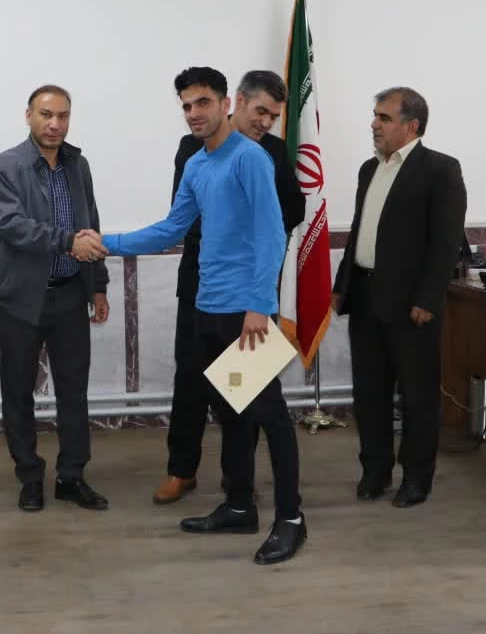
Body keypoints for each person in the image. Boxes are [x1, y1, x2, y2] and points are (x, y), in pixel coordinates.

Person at [102, 66, 305, 566]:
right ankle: (238, 506)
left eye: (203, 103)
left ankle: (291, 519)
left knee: (271, 416)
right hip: (207, 308)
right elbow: (171, 229)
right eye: (187, 106)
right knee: (231, 413)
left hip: (245, 314)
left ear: (226, 103)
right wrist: (105, 243)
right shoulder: (197, 164)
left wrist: (259, 304)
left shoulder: (251, 158)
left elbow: (272, 233)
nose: (194, 113)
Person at [155, 69, 306, 505]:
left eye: (273, 117)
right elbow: (181, 216)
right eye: (260, 111)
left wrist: (246, 236)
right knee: (191, 378)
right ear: (237, 102)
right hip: (199, 283)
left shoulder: (268, 152)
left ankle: (237, 483)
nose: (265, 122)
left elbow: (290, 212)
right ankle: (181, 470)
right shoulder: (193, 148)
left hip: (250, 290)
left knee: (246, 391)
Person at [331, 87, 466, 508]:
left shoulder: (440, 169)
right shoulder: (369, 170)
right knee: (368, 393)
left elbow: (445, 243)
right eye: (375, 116)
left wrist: (428, 298)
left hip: (411, 305)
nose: (374, 124)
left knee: (417, 395)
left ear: (412, 126)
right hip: (365, 296)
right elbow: (360, 232)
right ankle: (374, 471)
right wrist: (340, 286)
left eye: (384, 118)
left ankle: (416, 479)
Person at [0, 85, 111, 513]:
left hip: (71, 295)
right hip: (21, 297)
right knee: (18, 391)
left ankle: (72, 476)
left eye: (63, 116)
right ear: (28, 116)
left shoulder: (78, 164)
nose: (55, 124)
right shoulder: (4, 166)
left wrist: (98, 285)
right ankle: (30, 477)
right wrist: (66, 242)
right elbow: (13, 226)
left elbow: (91, 223)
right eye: (46, 115)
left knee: (74, 391)